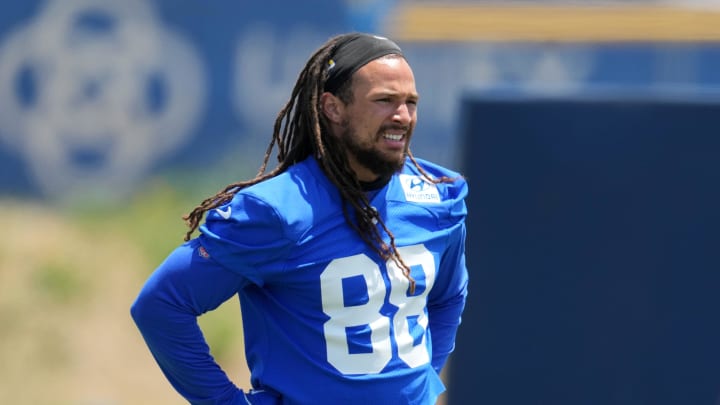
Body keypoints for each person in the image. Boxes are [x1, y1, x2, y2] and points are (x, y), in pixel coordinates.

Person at [130, 32, 469, 405]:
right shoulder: (277, 211)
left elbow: (449, 296)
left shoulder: (437, 196)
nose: (402, 116)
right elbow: (161, 305)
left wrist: (425, 381)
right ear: (333, 108)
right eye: (384, 101)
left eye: (411, 102)